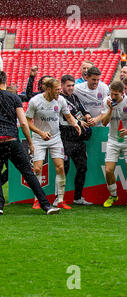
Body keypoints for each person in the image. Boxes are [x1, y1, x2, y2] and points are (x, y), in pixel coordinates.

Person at [0, 72, 59, 215]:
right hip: (12, 141)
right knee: (28, 173)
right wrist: (31, 143)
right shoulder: (14, 97)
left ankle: (0, 206)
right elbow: (24, 123)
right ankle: (46, 206)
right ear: (6, 81)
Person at [26, 78, 81, 210]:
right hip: (39, 139)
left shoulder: (60, 100)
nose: (59, 92)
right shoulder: (35, 101)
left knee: (60, 168)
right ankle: (37, 200)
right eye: (57, 90)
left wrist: (75, 124)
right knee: (38, 168)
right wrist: (41, 133)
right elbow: (27, 122)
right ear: (48, 89)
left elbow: (68, 116)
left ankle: (60, 200)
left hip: (56, 138)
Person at [100, 81, 127, 209]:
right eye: (111, 94)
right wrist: (110, 109)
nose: (113, 97)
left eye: (116, 95)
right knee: (108, 170)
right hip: (113, 140)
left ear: (122, 93)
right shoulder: (107, 102)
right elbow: (104, 123)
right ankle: (113, 195)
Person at [60, 75, 93, 206]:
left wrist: (87, 116)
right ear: (62, 85)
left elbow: (81, 109)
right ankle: (59, 198)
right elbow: (66, 115)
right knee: (64, 168)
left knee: (82, 168)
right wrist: (79, 121)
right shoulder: (59, 98)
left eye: (73, 85)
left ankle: (78, 197)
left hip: (78, 139)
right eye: (68, 85)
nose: (71, 88)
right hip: (66, 138)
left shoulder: (74, 97)